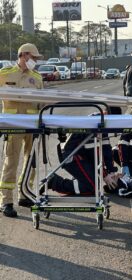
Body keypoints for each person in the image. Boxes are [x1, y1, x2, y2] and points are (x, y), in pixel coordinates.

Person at [0, 43, 43, 217]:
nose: (35, 61)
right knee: (11, 162)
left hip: (32, 125)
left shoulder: (37, 77)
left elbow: (42, 102)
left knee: (31, 161)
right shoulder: (4, 74)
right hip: (13, 125)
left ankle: (24, 193)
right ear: (24, 55)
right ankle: (6, 201)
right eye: (33, 57)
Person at [40, 130, 118, 196]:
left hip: (81, 155)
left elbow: (106, 150)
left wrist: (111, 171)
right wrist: (105, 175)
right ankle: (54, 182)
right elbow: (93, 155)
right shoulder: (94, 124)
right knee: (92, 187)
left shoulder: (104, 125)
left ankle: (78, 179)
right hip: (70, 155)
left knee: (92, 183)